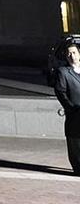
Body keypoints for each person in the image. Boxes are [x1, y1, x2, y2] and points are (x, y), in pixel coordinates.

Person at [53, 43, 80, 176]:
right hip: (75, 114)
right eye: (69, 53)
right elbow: (60, 91)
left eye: (74, 52)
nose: (72, 56)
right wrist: (70, 108)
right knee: (75, 143)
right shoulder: (63, 72)